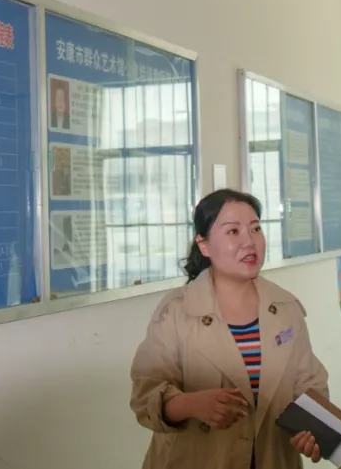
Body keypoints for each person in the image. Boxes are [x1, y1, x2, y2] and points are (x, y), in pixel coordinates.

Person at [130, 189, 329, 469]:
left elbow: (309, 383)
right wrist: (191, 404)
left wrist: (315, 431)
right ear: (204, 245)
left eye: (256, 229)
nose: (249, 241)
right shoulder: (176, 311)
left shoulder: (285, 307)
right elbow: (145, 396)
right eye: (233, 231)